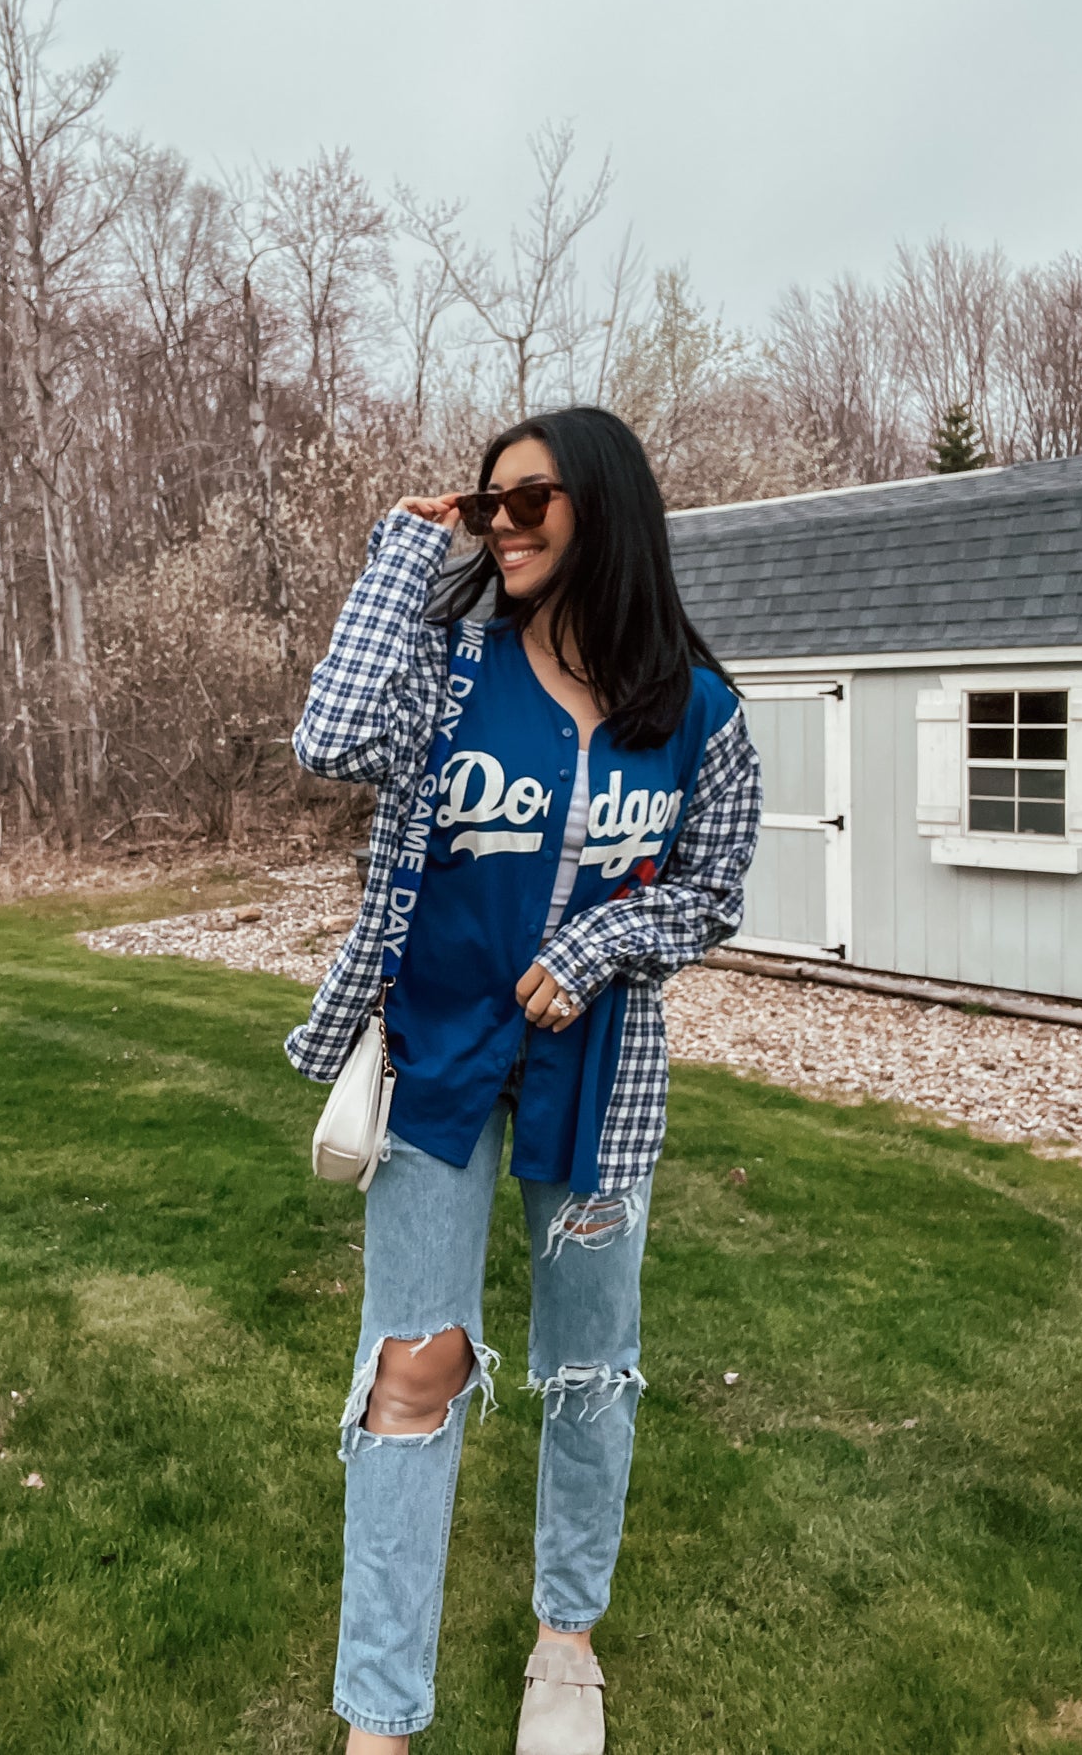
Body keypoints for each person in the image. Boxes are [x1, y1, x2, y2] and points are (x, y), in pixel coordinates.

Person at [286, 405, 762, 1754]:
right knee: (411, 1369)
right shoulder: (441, 667)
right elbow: (326, 741)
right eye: (484, 504)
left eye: (528, 501)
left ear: (600, 509)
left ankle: (565, 1643)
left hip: (599, 1078)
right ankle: (379, 1718)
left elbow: (713, 888)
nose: (499, 525)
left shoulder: (696, 710)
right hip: (435, 1056)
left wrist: (610, 936)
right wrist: (398, 552)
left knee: (587, 1371)